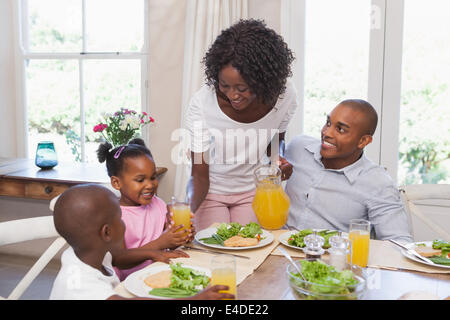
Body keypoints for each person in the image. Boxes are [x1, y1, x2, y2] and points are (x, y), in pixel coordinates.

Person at [185, 19, 298, 230]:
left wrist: (278, 160)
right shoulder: (202, 104)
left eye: (242, 88)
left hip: (254, 190)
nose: (233, 95)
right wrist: (186, 211)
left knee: (251, 250)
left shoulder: (285, 96)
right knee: (215, 252)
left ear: (263, 81)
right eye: (224, 85)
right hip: (211, 191)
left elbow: (274, 140)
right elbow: (198, 173)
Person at [50, 184, 233, 300]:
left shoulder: (85, 254)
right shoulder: (80, 286)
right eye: (120, 218)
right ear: (107, 232)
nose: (124, 222)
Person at [284, 99, 413, 243]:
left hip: (331, 260)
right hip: (278, 251)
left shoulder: (378, 183)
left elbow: (399, 242)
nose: (327, 133)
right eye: (328, 123)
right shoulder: (298, 148)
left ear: (363, 141)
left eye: (340, 129)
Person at [97, 138, 194, 280]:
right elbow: (119, 259)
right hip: (131, 281)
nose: (150, 185)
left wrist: (181, 236)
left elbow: (167, 243)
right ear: (117, 183)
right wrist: (161, 243)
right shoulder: (114, 216)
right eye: (140, 180)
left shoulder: (158, 204)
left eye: (153, 177)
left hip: (159, 273)